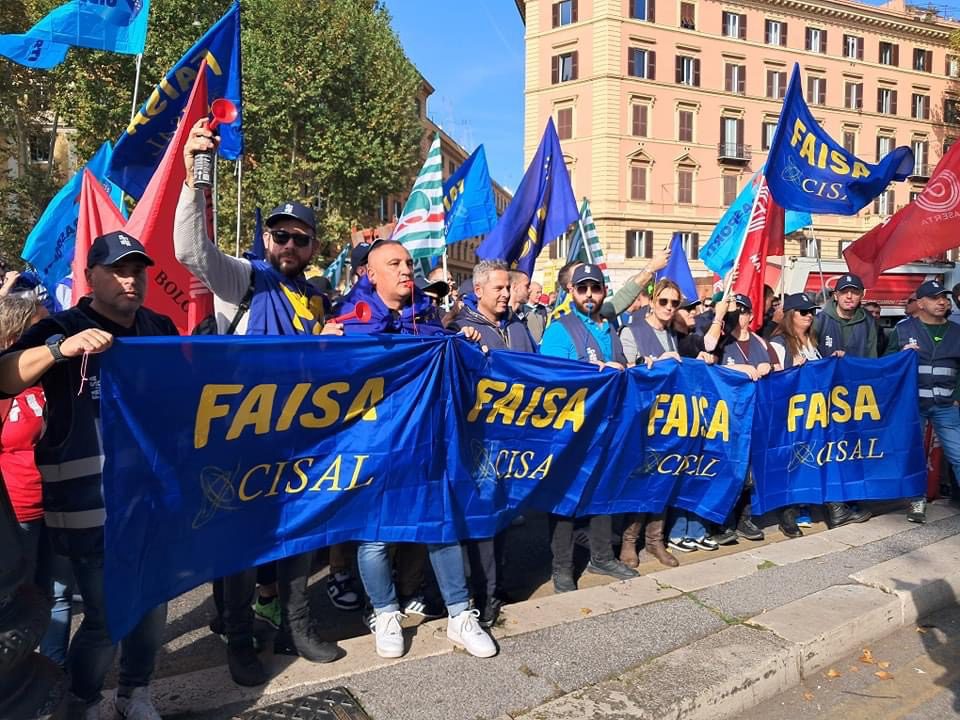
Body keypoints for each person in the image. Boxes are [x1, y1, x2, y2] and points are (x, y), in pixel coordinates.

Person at [176, 120, 343, 686]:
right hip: (244, 436)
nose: (289, 246)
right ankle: (241, 637)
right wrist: (195, 176)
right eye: (280, 236)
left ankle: (298, 624)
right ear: (267, 239)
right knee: (241, 542)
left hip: (300, 437)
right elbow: (190, 250)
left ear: (314, 246)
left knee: (300, 533)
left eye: (301, 238)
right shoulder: (246, 279)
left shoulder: (318, 300)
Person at [0, 231, 177, 720]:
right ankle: (84, 700)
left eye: (138, 270)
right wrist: (60, 350)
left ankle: (136, 693)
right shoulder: (62, 325)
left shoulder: (158, 325)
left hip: (148, 502)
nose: (131, 280)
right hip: (84, 507)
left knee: (151, 604)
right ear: (89, 277)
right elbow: (3, 376)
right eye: (118, 270)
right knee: (104, 616)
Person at [336, 240, 497, 660]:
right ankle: (385, 612)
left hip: (427, 443)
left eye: (409, 263)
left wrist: (460, 339)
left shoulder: (426, 317)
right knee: (374, 537)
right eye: (395, 264)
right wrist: (322, 343)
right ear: (371, 274)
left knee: (440, 524)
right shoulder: (350, 321)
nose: (407, 270)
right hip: (373, 446)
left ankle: (461, 615)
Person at [539, 265, 639, 590]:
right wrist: (590, 370)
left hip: (605, 428)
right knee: (564, 500)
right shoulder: (560, 329)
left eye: (595, 288)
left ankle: (602, 557)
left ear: (603, 291)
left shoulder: (609, 328)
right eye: (582, 289)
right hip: (569, 430)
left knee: (602, 492)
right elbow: (550, 378)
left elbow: (622, 366)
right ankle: (562, 568)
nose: (589, 295)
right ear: (572, 292)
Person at [448, 260, 535, 626]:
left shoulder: (518, 327)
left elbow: (539, 370)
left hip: (515, 439)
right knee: (482, 516)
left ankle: (498, 584)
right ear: (478, 290)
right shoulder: (460, 329)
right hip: (479, 440)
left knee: (504, 512)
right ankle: (482, 594)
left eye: (507, 288)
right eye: (497, 288)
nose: (505, 294)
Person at [0, 295, 73, 670]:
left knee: (59, 595)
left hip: (61, 507)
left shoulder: (62, 378)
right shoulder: (4, 383)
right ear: (15, 337)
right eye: (39, 327)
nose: (50, 334)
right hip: (18, 516)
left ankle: (53, 672)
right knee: (17, 602)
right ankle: (18, 676)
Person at [618, 279, 687, 568]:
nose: (669, 308)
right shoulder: (631, 331)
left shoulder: (673, 335)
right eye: (664, 302)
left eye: (674, 303)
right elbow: (626, 373)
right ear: (652, 300)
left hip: (668, 418)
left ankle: (656, 540)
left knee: (664, 477)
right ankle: (629, 541)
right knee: (641, 477)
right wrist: (657, 363)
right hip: (641, 417)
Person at [703, 293, 777, 543]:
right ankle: (721, 522)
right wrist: (737, 370)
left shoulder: (761, 343)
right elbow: (709, 359)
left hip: (755, 416)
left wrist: (770, 368)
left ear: (751, 315)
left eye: (743, 311)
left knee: (750, 472)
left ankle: (745, 518)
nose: (739, 316)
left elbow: (779, 370)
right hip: (728, 417)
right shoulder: (722, 341)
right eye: (735, 312)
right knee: (729, 470)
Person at [887, 280, 960, 523]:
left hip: (946, 405)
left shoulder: (957, 331)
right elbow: (887, 364)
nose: (942, 302)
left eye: (944, 297)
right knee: (913, 453)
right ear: (920, 303)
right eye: (934, 298)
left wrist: (958, 396)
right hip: (912, 405)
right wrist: (900, 355)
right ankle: (916, 500)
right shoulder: (903, 330)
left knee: (958, 454)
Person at [810, 273, 875, 528]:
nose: (850, 296)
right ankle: (827, 506)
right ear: (835, 295)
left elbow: (871, 359)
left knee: (851, 450)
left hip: (857, 398)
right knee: (826, 450)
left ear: (862, 296)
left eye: (855, 292)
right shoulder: (820, 319)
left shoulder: (868, 321)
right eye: (845, 291)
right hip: (824, 399)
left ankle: (849, 499)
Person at [768, 293, 822, 538]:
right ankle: (787, 514)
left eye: (811, 311)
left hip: (812, 413)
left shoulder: (812, 341)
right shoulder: (779, 343)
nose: (809, 315)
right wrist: (791, 369)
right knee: (790, 462)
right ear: (791, 315)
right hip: (789, 415)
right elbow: (773, 380)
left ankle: (804, 505)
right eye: (803, 311)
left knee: (808, 459)